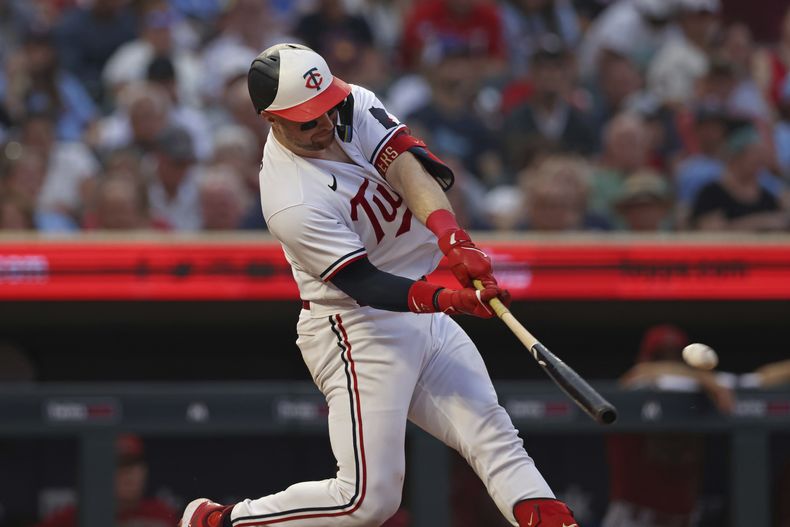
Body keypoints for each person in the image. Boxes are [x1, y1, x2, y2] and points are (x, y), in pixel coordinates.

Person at [179, 43, 578, 527]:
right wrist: (452, 298)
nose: (324, 123)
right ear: (271, 119)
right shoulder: (289, 198)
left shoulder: (352, 104)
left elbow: (407, 166)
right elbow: (365, 285)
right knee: (366, 500)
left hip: (419, 303)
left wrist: (453, 237)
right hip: (355, 327)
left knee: (493, 434)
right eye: (307, 119)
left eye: (326, 106)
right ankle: (217, 523)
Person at [33, 434, 176, 527]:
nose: (129, 474)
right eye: (120, 466)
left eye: (133, 465)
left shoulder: (161, 513)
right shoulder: (75, 516)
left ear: (144, 471)